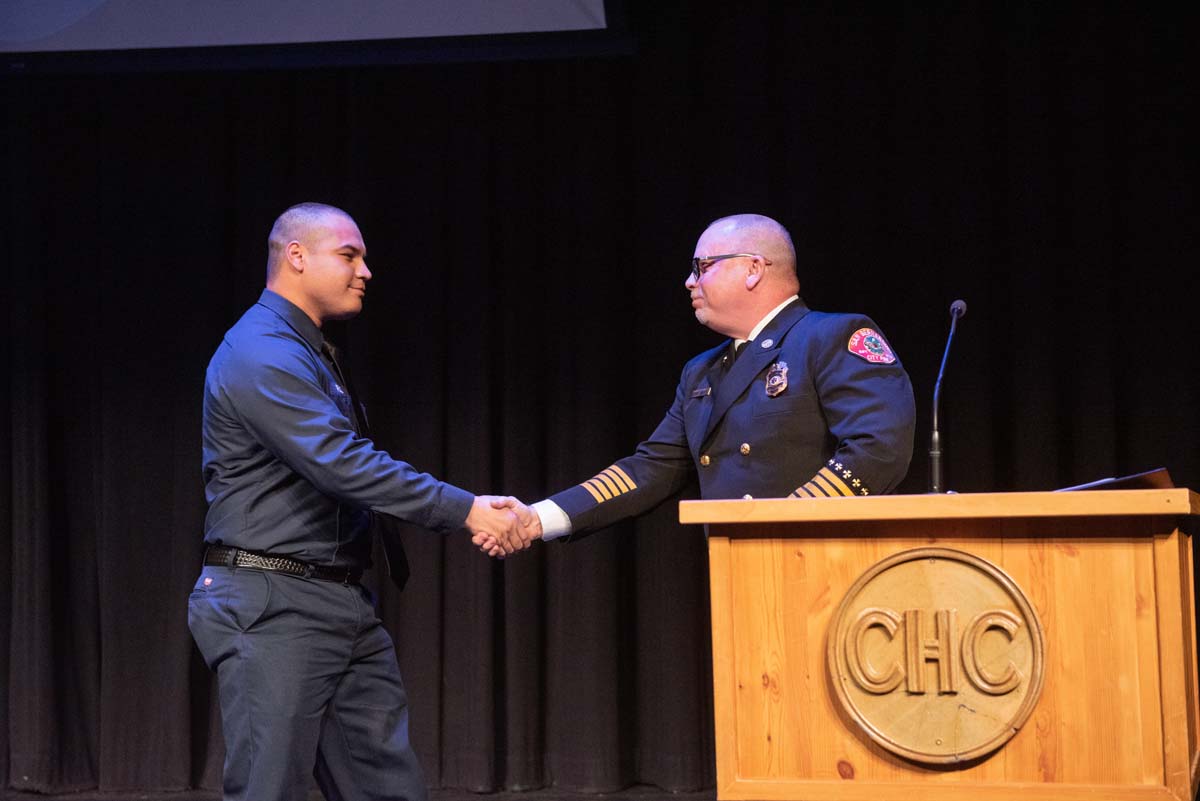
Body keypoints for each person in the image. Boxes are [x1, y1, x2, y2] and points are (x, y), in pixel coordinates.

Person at [188, 202, 528, 801]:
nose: (365, 270)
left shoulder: (306, 349)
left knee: (387, 787)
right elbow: (341, 463)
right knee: (271, 790)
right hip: (274, 605)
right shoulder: (261, 351)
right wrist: (466, 508)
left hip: (337, 601)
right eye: (349, 255)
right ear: (296, 256)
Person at [491, 213, 915, 544]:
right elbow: (649, 470)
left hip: (818, 559)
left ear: (753, 268)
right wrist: (538, 518)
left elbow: (878, 450)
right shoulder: (702, 371)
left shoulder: (831, 337)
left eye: (703, 265)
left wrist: (781, 525)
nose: (689, 280)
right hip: (739, 562)